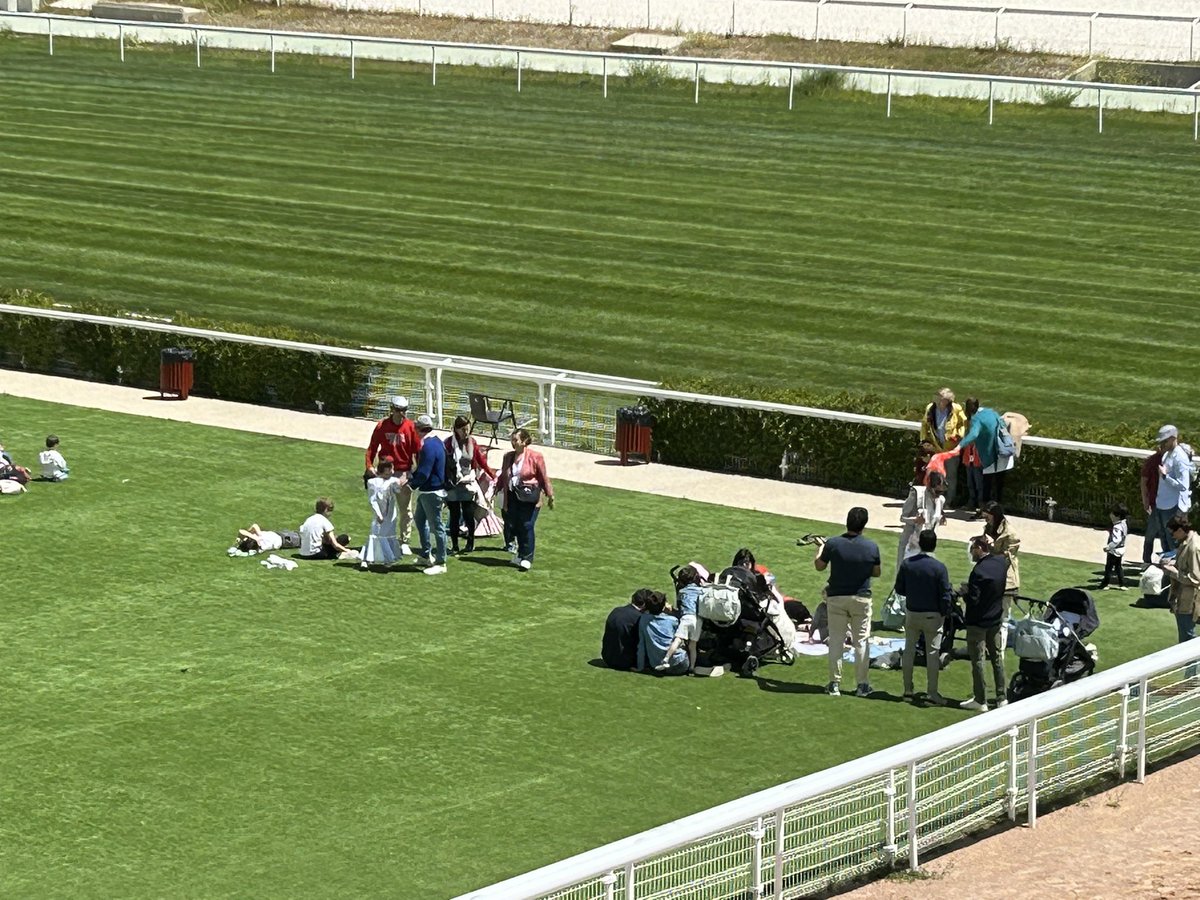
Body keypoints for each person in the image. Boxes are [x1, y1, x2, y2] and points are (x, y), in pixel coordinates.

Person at [815, 506, 881, 698]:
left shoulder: (833, 544)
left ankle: (834, 684)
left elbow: (819, 566)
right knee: (861, 641)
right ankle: (862, 685)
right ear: (864, 525)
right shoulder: (871, 547)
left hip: (836, 598)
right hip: (861, 598)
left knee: (836, 640)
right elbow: (876, 572)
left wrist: (820, 548)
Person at [896, 529, 952, 706]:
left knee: (909, 651)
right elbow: (945, 595)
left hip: (913, 613)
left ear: (920, 543)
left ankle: (907, 690)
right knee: (933, 654)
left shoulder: (907, 564)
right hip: (932, 615)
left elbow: (899, 589)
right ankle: (932, 692)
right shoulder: (939, 568)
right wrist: (944, 613)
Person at [364, 396, 421, 555]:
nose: (401, 414)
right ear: (392, 410)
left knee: (405, 510)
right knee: (384, 509)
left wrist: (413, 473)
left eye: (404, 411)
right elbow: (372, 448)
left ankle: (404, 541)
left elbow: (417, 452)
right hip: (385, 473)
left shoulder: (410, 427)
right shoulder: (382, 426)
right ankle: (383, 537)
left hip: (403, 472)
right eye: (398, 410)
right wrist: (369, 466)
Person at [495, 428, 555, 571]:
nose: (513, 442)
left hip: (529, 497)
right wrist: (495, 489)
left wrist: (550, 495)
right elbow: (503, 476)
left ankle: (527, 557)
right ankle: (520, 554)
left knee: (527, 525)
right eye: (512, 439)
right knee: (515, 526)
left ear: (524, 441)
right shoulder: (508, 457)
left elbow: (543, 477)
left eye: (516, 439)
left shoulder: (535, 457)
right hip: (512, 496)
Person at [962, 535, 1009, 712]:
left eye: (973, 548)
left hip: (978, 622)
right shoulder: (1000, 563)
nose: (971, 552)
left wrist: (964, 592)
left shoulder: (978, 572)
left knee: (978, 661)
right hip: (995, 619)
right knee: (997, 658)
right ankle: (1001, 697)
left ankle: (980, 699)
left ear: (980, 548)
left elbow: (974, 600)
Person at [443, 415, 496, 555]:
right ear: (456, 429)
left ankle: (470, 542)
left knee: (468, 514)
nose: (466, 433)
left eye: (468, 429)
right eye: (463, 430)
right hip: (454, 484)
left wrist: (493, 475)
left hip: (468, 483)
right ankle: (454, 545)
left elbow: (480, 460)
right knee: (454, 515)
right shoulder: (448, 443)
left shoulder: (472, 442)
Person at [409, 414, 449, 576]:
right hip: (429, 491)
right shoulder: (437, 442)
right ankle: (426, 554)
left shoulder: (428, 446)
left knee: (437, 527)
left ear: (419, 429)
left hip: (432, 492)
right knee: (420, 519)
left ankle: (441, 561)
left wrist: (410, 486)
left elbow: (424, 473)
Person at [1151, 425, 1194, 557]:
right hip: (1161, 504)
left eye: (1164, 441)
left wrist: (1165, 476)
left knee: (1173, 544)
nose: (1162, 444)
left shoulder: (1180, 458)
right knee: (1164, 542)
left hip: (1172, 507)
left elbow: (1183, 486)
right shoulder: (1168, 454)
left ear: (1173, 438)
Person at [919, 388, 966, 506]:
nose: (936, 397)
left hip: (950, 450)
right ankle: (931, 499)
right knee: (933, 475)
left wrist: (957, 436)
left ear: (946, 400)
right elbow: (925, 425)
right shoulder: (930, 408)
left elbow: (963, 425)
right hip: (935, 448)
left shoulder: (956, 409)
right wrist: (924, 441)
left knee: (950, 476)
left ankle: (947, 501)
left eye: (939, 396)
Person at [983, 501, 1020, 649]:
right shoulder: (988, 527)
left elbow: (1009, 554)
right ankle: (989, 645)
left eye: (988, 516)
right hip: (990, 574)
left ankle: (1000, 650)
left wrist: (992, 546)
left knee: (1003, 617)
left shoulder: (1010, 532)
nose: (985, 519)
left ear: (995, 515)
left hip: (1006, 577)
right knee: (989, 614)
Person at [956, 398, 1007, 504]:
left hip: (983, 457)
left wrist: (959, 446)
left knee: (983, 485)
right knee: (994, 486)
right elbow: (1002, 424)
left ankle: (982, 507)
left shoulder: (976, 419)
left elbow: (974, 434)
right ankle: (990, 508)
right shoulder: (991, 413)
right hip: (997, 453)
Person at [658, 564, 706, 673]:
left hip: (687, 617)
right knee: (693, 645)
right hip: (698, 619)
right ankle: (692, 667)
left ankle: (666, 659)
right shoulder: (700, 590)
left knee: (678, 640)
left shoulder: (682, 592)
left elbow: (679, 607)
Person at [1160, 514, 1200, 645]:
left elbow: (1195, 579)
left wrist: (1174, 572)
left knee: (1187, 638)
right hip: (1182, 598)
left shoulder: (1194, 547)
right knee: (1185, 635)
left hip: (1189, 600)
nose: (1172, 537)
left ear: (1180, 530)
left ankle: (1192, 665)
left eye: (1173, 533)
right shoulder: (1186, 542)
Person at [896, 473, 946, 570]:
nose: (938, 494)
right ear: (930, 486)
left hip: (928, 546)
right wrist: (915, 520)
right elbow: (902, 518)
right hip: (910, 545)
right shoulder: (917, 494)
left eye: (941, 491)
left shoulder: (941, 500)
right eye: (937, 491)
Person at [361, 458, 404, 570]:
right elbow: (373, 499)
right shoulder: (373, 482)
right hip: (379, 512)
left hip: (390, 513)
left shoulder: (394, 480)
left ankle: (388, 558)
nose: (390, 473)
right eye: (387, 471)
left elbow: (397, 491)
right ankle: (367, 558)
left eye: (391, 470)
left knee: (388, 534)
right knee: (375, 533)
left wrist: (399, 484)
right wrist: (378, 514)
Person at [636, 589, 688, 675]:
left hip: (656, 665)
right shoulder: (672, 620)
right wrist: (672, 612)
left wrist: (640, 667)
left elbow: (641, 645)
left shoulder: (643, 620)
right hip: (679, 664)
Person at [601, 590, 648, 671]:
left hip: (607, 657)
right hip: (625, 661)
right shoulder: (639, 618)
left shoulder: (616, 610)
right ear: (644, 605)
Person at [1141, 442, 1166, 565]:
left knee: (1165, 534)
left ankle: (1166, 561)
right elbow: (1144, 481)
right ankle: (1146, 561)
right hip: (1156, 503)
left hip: (1168, 503)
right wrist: (1145, 501)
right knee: (1151, 532)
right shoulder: (1152, 461)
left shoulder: (1172, 459)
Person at [1099, 504, 1129, 591]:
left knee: (1108, 567)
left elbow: (1116, 540)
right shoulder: (1124, 524)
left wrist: (1109, 547)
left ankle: (1104, 584)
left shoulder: (1117, 527)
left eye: (1112, 514)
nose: (1110, 515)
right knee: (1118, 567)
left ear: (1117, 516)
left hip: (1114, 550)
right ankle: (1122, 584)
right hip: (1121, 549)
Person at [233, 523, 301, 554]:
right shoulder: (260, 547)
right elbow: (243, 532)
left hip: (280, 535)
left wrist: (256, 536)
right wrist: (256, 537)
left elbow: (253, 526)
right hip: (285, 541)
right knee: (302, 540)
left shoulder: (257, 537)